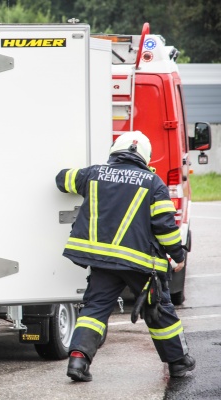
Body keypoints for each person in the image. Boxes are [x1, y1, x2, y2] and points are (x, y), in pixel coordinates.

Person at [55, 130, 195, 382]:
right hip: (140, 265)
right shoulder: (153, 183)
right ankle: (177, 363)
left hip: (102, 262)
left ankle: (78, 360)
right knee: (159, 311)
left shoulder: (93, 174)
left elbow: (62, 179)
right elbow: (165, 226)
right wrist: (177, 255)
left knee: (95, 309)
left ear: (115, 150)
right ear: (145, 157)